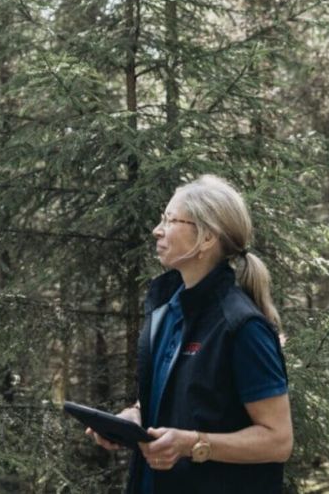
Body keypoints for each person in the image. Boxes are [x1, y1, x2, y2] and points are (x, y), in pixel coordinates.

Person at [89, 175, 293, 493]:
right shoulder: (166, 310)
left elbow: (278, 440)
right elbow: (175, 396)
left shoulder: (241, 326)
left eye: (170, 221)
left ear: (207, 238)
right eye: (162, 219)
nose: (157, 231)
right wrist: (133, 418)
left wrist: (193, 444)